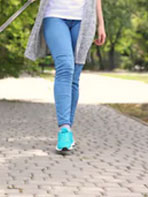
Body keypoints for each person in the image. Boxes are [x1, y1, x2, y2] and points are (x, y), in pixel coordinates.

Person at [25, 0, 106, 151]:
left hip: (84, 19)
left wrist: (101, 23)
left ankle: (68, 130)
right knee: (65, 67)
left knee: (74, 77)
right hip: (55, 15)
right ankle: (64, 128)